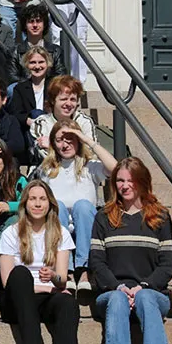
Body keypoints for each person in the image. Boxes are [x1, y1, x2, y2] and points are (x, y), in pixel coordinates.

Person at [91, 157, 172, 344]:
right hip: (112, 292)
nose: (125, 185)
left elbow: (167, 265)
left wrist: (142, 287)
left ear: (142, 182)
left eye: (131, 180)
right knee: (117, 300)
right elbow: (97, 262)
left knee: (147, 298)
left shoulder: (160, 217)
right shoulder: (104, 217)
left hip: (152, 293)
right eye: (119, 180)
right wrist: (118, 287)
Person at [0, 180, 82, 344]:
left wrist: (53, 277)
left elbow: (62, 280)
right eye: (33, 199)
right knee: (21, 273)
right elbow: (8, 282)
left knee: (69, 303)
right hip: (18, 301)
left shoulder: (60, 233)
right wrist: (45, 288)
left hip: (47, 298)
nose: (37, 204)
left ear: (50, 203)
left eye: (42, 199)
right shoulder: (11, 233)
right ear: (24, 203)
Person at [39, 119, 118, 290]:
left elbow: (115, 169)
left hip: (85, 226)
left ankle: (84, 270)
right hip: (57, 226)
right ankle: (64, 270)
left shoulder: (90, 166)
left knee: (82, 205)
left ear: (78, 141)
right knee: (56, 205)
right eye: (59, 140)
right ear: (53, 143)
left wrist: (88, 140)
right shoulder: (46, 169)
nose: (65, 145)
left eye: (70, 139)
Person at [30, 75, 97, 161]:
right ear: (53, 101)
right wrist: (78, 148)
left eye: (73, 99)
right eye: (64, 99)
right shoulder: (41, 123)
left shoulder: (85, 121)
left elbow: (91, 153)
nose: (68, 104)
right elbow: (46, 156)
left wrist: (51, 144)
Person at [8, 46, 58, 147]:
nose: (37, 66)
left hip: (52, 126)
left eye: (41, 62)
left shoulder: (55, 85)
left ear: (47, 64)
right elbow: (16, 113)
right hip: (30, 128)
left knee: (37, 113)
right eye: (33, 62)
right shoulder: (20, 88)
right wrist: (32, 122)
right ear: (27, 65)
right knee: (35, 114)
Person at [15, 4, 67, 78]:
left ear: (44, 24)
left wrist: (42, 86)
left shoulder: (56, 50)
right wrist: (32, 86)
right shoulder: (15, 52)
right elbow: (12, 78)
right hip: (23, 89)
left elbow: (60, 76)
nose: (35, 25)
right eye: (31, 21)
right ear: (25, 25)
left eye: (38, 21)